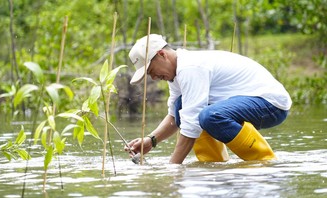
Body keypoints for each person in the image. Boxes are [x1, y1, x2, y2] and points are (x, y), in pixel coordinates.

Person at [125, 34, 292, 164]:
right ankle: (214, 165)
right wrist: (151, 140)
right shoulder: (176, 74)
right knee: (180, 106)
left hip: (271, 105)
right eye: (149, 74)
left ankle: (264, 161)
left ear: (162, 54)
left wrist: (173, 170)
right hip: (251, 102)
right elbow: (175, 117)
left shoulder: (190, 68)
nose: (153, 77)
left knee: (209, 116)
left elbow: (191, 124)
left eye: (151, 70)